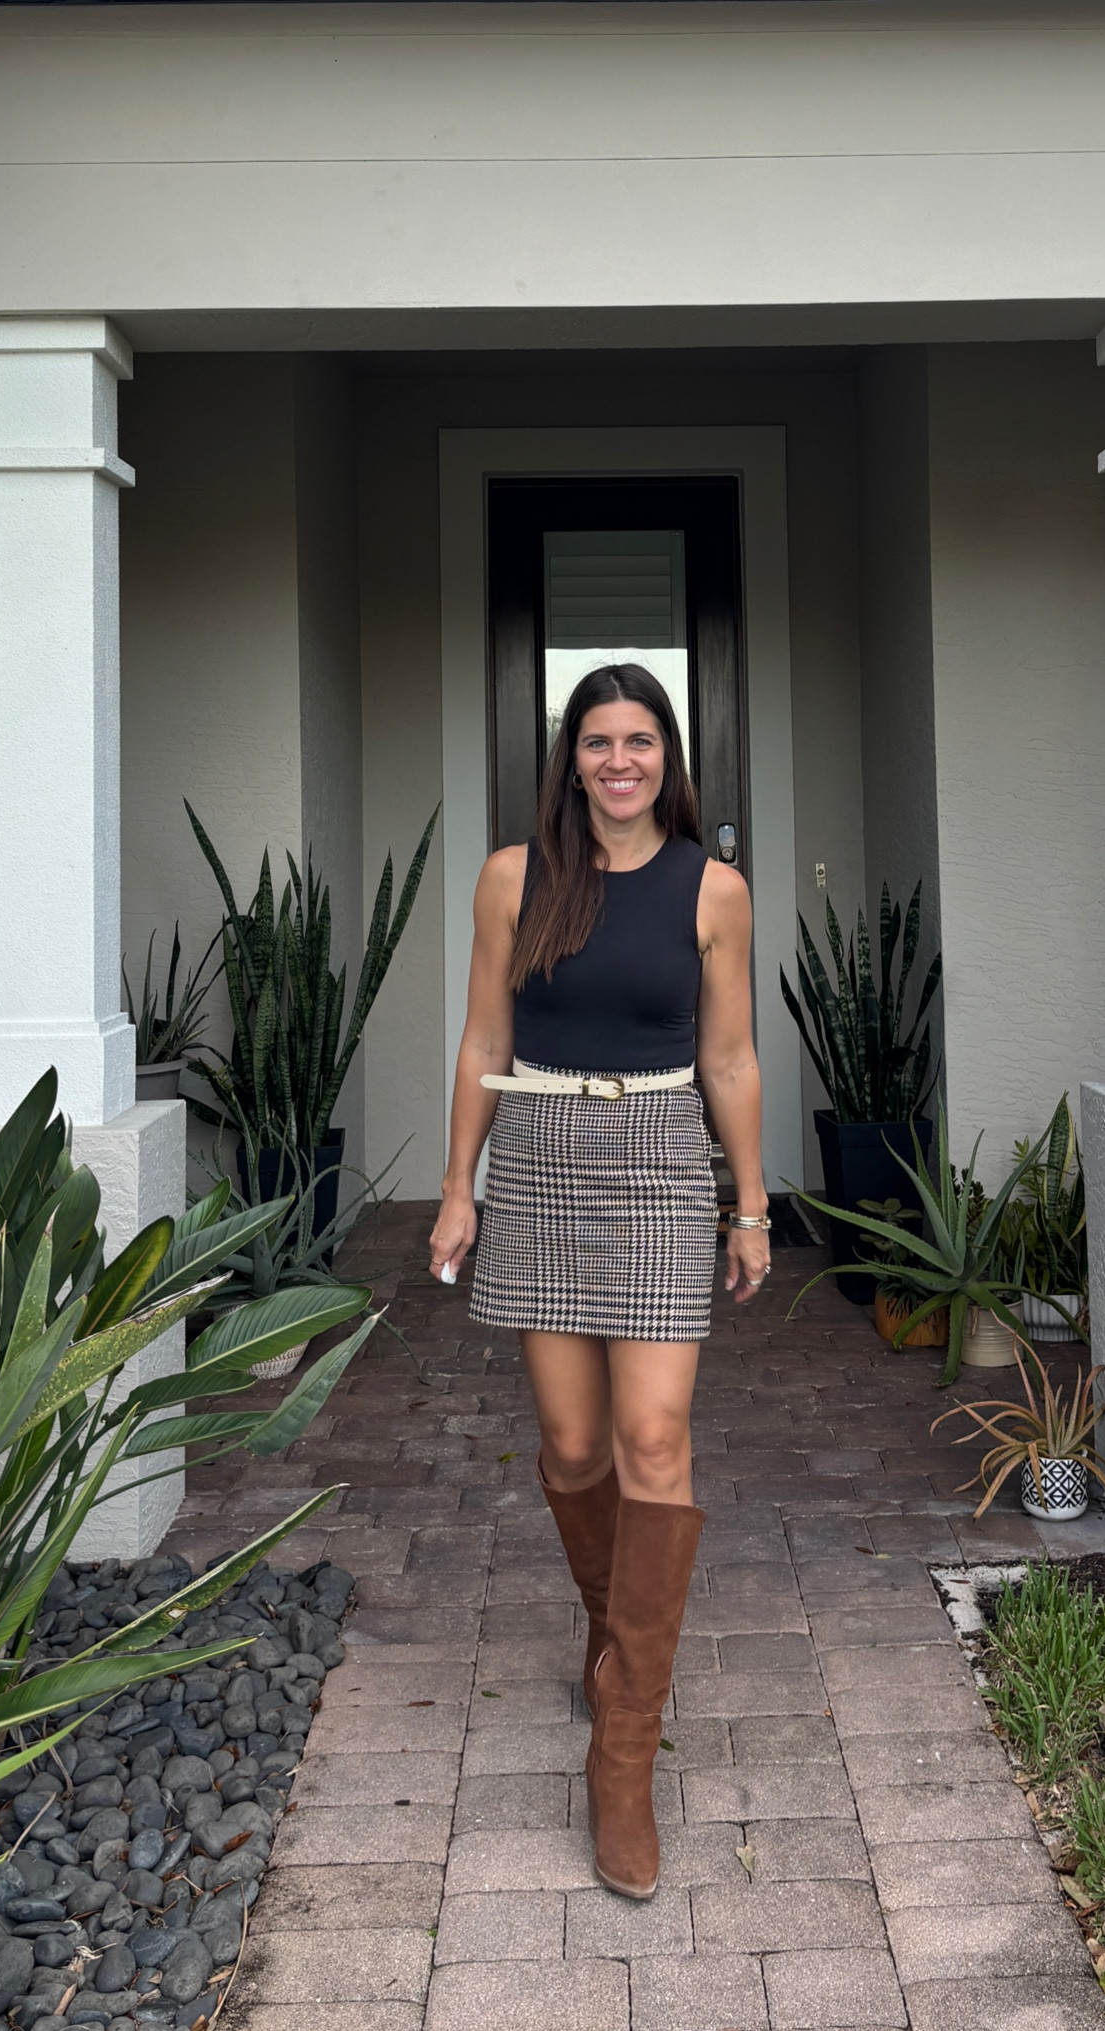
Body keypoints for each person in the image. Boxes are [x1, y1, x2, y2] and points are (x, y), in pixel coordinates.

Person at [429, 663, 770, 1900]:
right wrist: (460, 1183)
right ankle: (611, 1631)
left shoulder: (712, 888)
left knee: (653, 1436)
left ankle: (622, 1749)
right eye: (597, 742)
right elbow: (481, 1038)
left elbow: (728, 1055)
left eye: (639, 740)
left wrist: (749, 1203)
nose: (618, 760)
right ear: (569, 758)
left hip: (662, 1165)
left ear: (667, 757)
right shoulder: (515, 878)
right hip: (539, 1157)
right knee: (574, 1448)